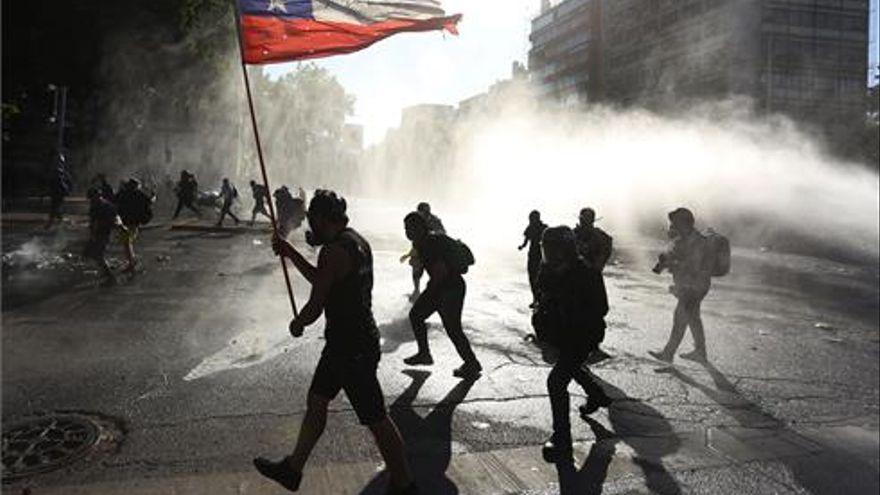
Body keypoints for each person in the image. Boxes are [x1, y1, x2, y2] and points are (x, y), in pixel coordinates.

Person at [256, 190, 416, 495]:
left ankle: (406, 485)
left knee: (377, 417)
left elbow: (316, 304)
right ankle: (293, 469)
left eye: (312, 220)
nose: (310, 227)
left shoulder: (332, 252)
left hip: (350, 346)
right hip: (350, 341)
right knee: (317, 400)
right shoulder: (356, 241)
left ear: (319, 218)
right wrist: (290, 253)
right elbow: (325, 279)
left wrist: (298, 323)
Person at [534, 226, 612, 463]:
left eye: (551, 249)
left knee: (556, 381)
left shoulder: (586, 272)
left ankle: (562, 439)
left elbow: (601, 308)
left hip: (582, 335)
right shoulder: (549, 270)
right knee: (569, 366)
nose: (547, 253)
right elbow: (543, 295)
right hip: (563, 334)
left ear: (563, 249)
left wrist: (573, 310)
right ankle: (596, 394)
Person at [402, 212, 482, 379]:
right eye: (405, 228)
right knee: (422, 317)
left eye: (410, 228)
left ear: (420, 228)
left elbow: (440, 272)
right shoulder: (426, 241)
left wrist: (431, 291)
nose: (407, 232)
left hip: (449, 288)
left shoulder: (429, 244)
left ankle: (470, 363)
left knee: (449, 327)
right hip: (449, 287)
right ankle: (427, 354)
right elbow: (425, 270)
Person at [649, 207, 712, 363]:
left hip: (695, 286)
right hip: (688, 285)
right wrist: (663, 263)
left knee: (680, 318)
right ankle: (700, 352)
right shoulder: (681, 240)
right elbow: (673, 260)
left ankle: (668, 354)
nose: (672, 227)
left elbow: (693, 266)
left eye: (675, 223)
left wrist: (672, 263)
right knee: (693, 318)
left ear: (685, 223)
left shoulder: (698, 241)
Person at [399, 203, 446, 300]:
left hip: (433, 252)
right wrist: (408, 255)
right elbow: (415, 242)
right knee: (416, 268)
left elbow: (442, 233)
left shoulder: (435, 220)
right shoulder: (416, 220)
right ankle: (416, 290)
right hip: (420, 251)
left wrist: (431, 234)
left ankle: (434, 293)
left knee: (434, 272)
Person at [83, 187, 122, 285]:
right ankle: (106, 273)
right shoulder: (102, 204)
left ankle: (110, 277)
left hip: (103, 232)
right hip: (101, 232)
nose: (91, 200)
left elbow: (113, 217)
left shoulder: (102, 205)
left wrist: (117, 226)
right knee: (91, 253)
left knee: (98, 254)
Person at [115, 178, 154, 273]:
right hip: (134, 222)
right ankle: (132, 260)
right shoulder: (139, 194)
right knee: (127, 243)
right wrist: (153, 195)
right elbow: (149, 201)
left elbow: (114, 200)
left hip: (125, 221)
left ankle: (131, 263)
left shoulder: (123, 193)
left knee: (127, 243)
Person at [518, 210, 547, 308]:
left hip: (542, 256)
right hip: (533, 255)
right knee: (532, 277)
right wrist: (522, 246)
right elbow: (526, 241)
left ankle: (540, 299)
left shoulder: (544, 228)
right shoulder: (531, 228)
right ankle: (535, 298)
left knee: (539, 278)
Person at [573, 207, 613, 272]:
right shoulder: (573, 234)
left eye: (587, 219)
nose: (583, 222)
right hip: (574, 274)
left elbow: (601, 260)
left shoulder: (601, 237)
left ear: (592, 220)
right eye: (582, 219)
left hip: (593, 275)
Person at [45, 153, 72, 228]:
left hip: (57, 192)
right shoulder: (58, 171)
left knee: (55, 208)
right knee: (55, 208)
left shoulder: (59, 171)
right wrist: (66, 189)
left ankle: (54, 223)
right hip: (57, 192)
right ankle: (55, 223)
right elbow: (59, 182)